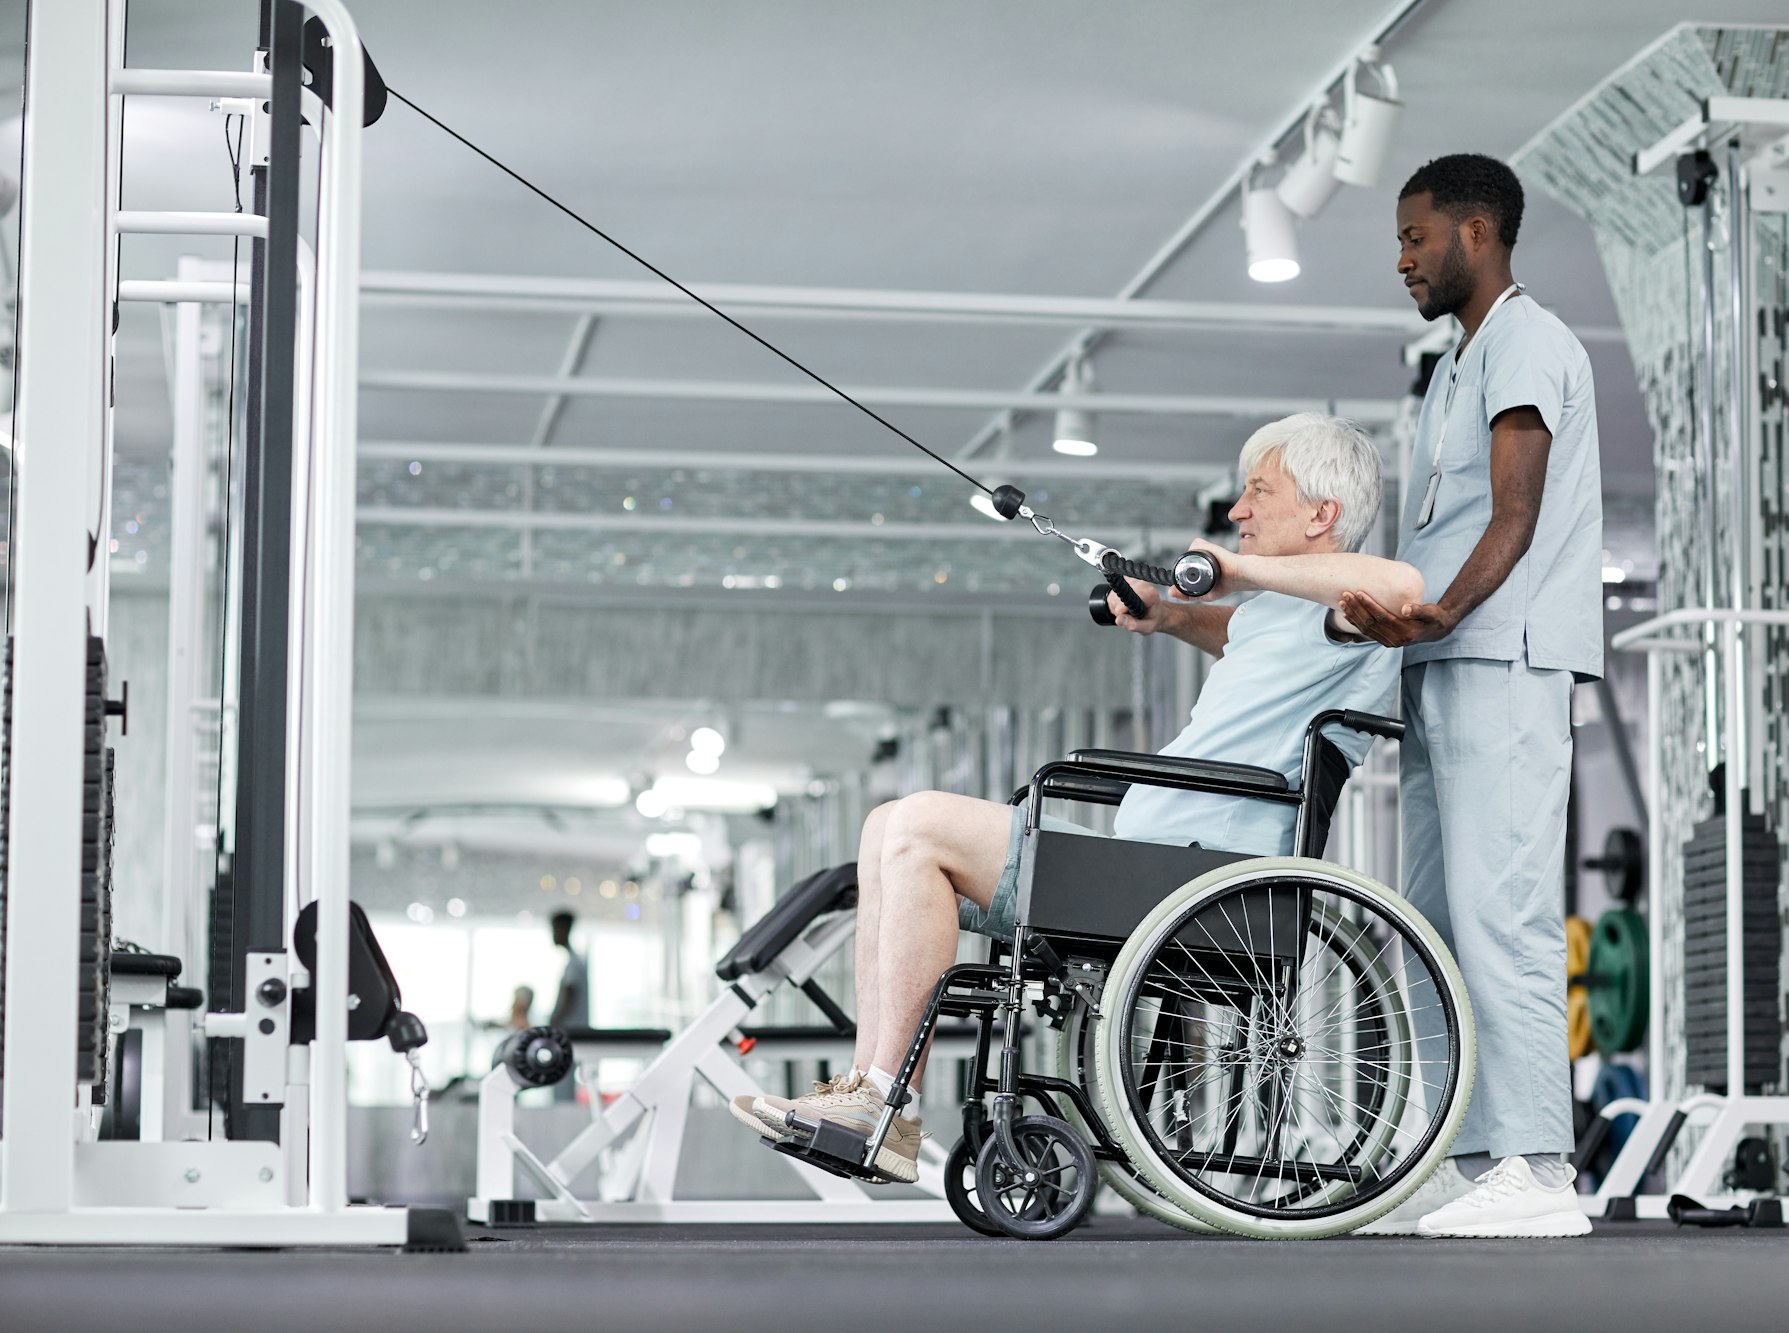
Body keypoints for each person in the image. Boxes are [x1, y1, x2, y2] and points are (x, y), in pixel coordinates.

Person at [726, 412, 1421, 1183]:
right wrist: (1172, 614)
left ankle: (886, 1103)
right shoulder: (1284, 617)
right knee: (884, 827)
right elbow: (1246, 639)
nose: (1237, 510)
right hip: (1158, 869)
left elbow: (1404, 587)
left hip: (1196, 881)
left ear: (1323, 514)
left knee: (919, 825)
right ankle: (872, 1095)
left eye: (1259, 491)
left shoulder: (1353, 611)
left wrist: (1237, 568)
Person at [1326, 153, 1602, 1237]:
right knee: (1433, 925)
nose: (1400, 259)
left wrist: (1440, 611)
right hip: (1441, 661)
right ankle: (1460, 1154)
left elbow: (1512, 512)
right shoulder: (1453, 363)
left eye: (1413, 237)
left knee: (1504, 918)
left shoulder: (1528, 340)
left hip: (1505, 654)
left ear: (1475, 233)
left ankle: (1537, 1166)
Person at [548, 911, 589, 1099]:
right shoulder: (574, 962)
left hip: (569, 1033)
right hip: (569, 1033)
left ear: (564, 929)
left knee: (563, 1088)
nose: (553, 934)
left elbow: (569, 995)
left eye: (554, 929)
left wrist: (554, 1022)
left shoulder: (574, 963)